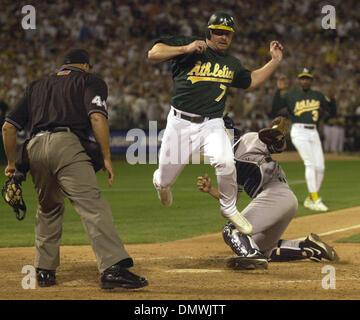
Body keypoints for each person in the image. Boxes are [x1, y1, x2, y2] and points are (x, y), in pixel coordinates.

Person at [2, 48, 148, 289]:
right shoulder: (89, 80)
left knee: (48, 208)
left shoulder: (37, 85)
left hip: (34, 147)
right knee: (92, 205)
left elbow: (8, 127)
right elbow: (97, 117)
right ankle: (112, 268)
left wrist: (10, 163)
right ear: (86, 66)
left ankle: (44, 270)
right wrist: (107, 157)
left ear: (63, 66)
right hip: (67, 144)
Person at [147, 11, 284, 235]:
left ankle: (229, 208)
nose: (223, 37)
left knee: (225, 161)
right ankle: (160, 184)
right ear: (209, 32)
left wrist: (274, 61)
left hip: (212, 123)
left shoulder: (231, 63)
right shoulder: (189, 45)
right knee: (165, 179)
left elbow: (251, 81)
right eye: (218, 32)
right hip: (180, 123)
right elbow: (153, 53)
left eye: (227, 34)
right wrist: (186, 48)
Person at [197, 116, 339, 270]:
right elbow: (232, 200)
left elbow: (276, 146)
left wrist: (275, 134)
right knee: (261, 248)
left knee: (232, 231)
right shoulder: (226, 162)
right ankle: (310, 248)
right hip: (282, 201)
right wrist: (211, 190)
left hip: (275, 195)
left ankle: (251, 258)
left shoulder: (247, 140)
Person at [271, 69, 336, 212]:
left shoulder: (318, 95)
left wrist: (332, 99)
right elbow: (274, 109)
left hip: (313, 132)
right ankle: (315, 198)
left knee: (320, 167)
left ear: (311, 80)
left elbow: (332, 112)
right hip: (299, 131)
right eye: (302, 78)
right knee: (310, 163)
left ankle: (311, 198)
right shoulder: (291, 95)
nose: (304, 81)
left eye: (307, 78)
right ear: (299, 80)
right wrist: (278, 91)